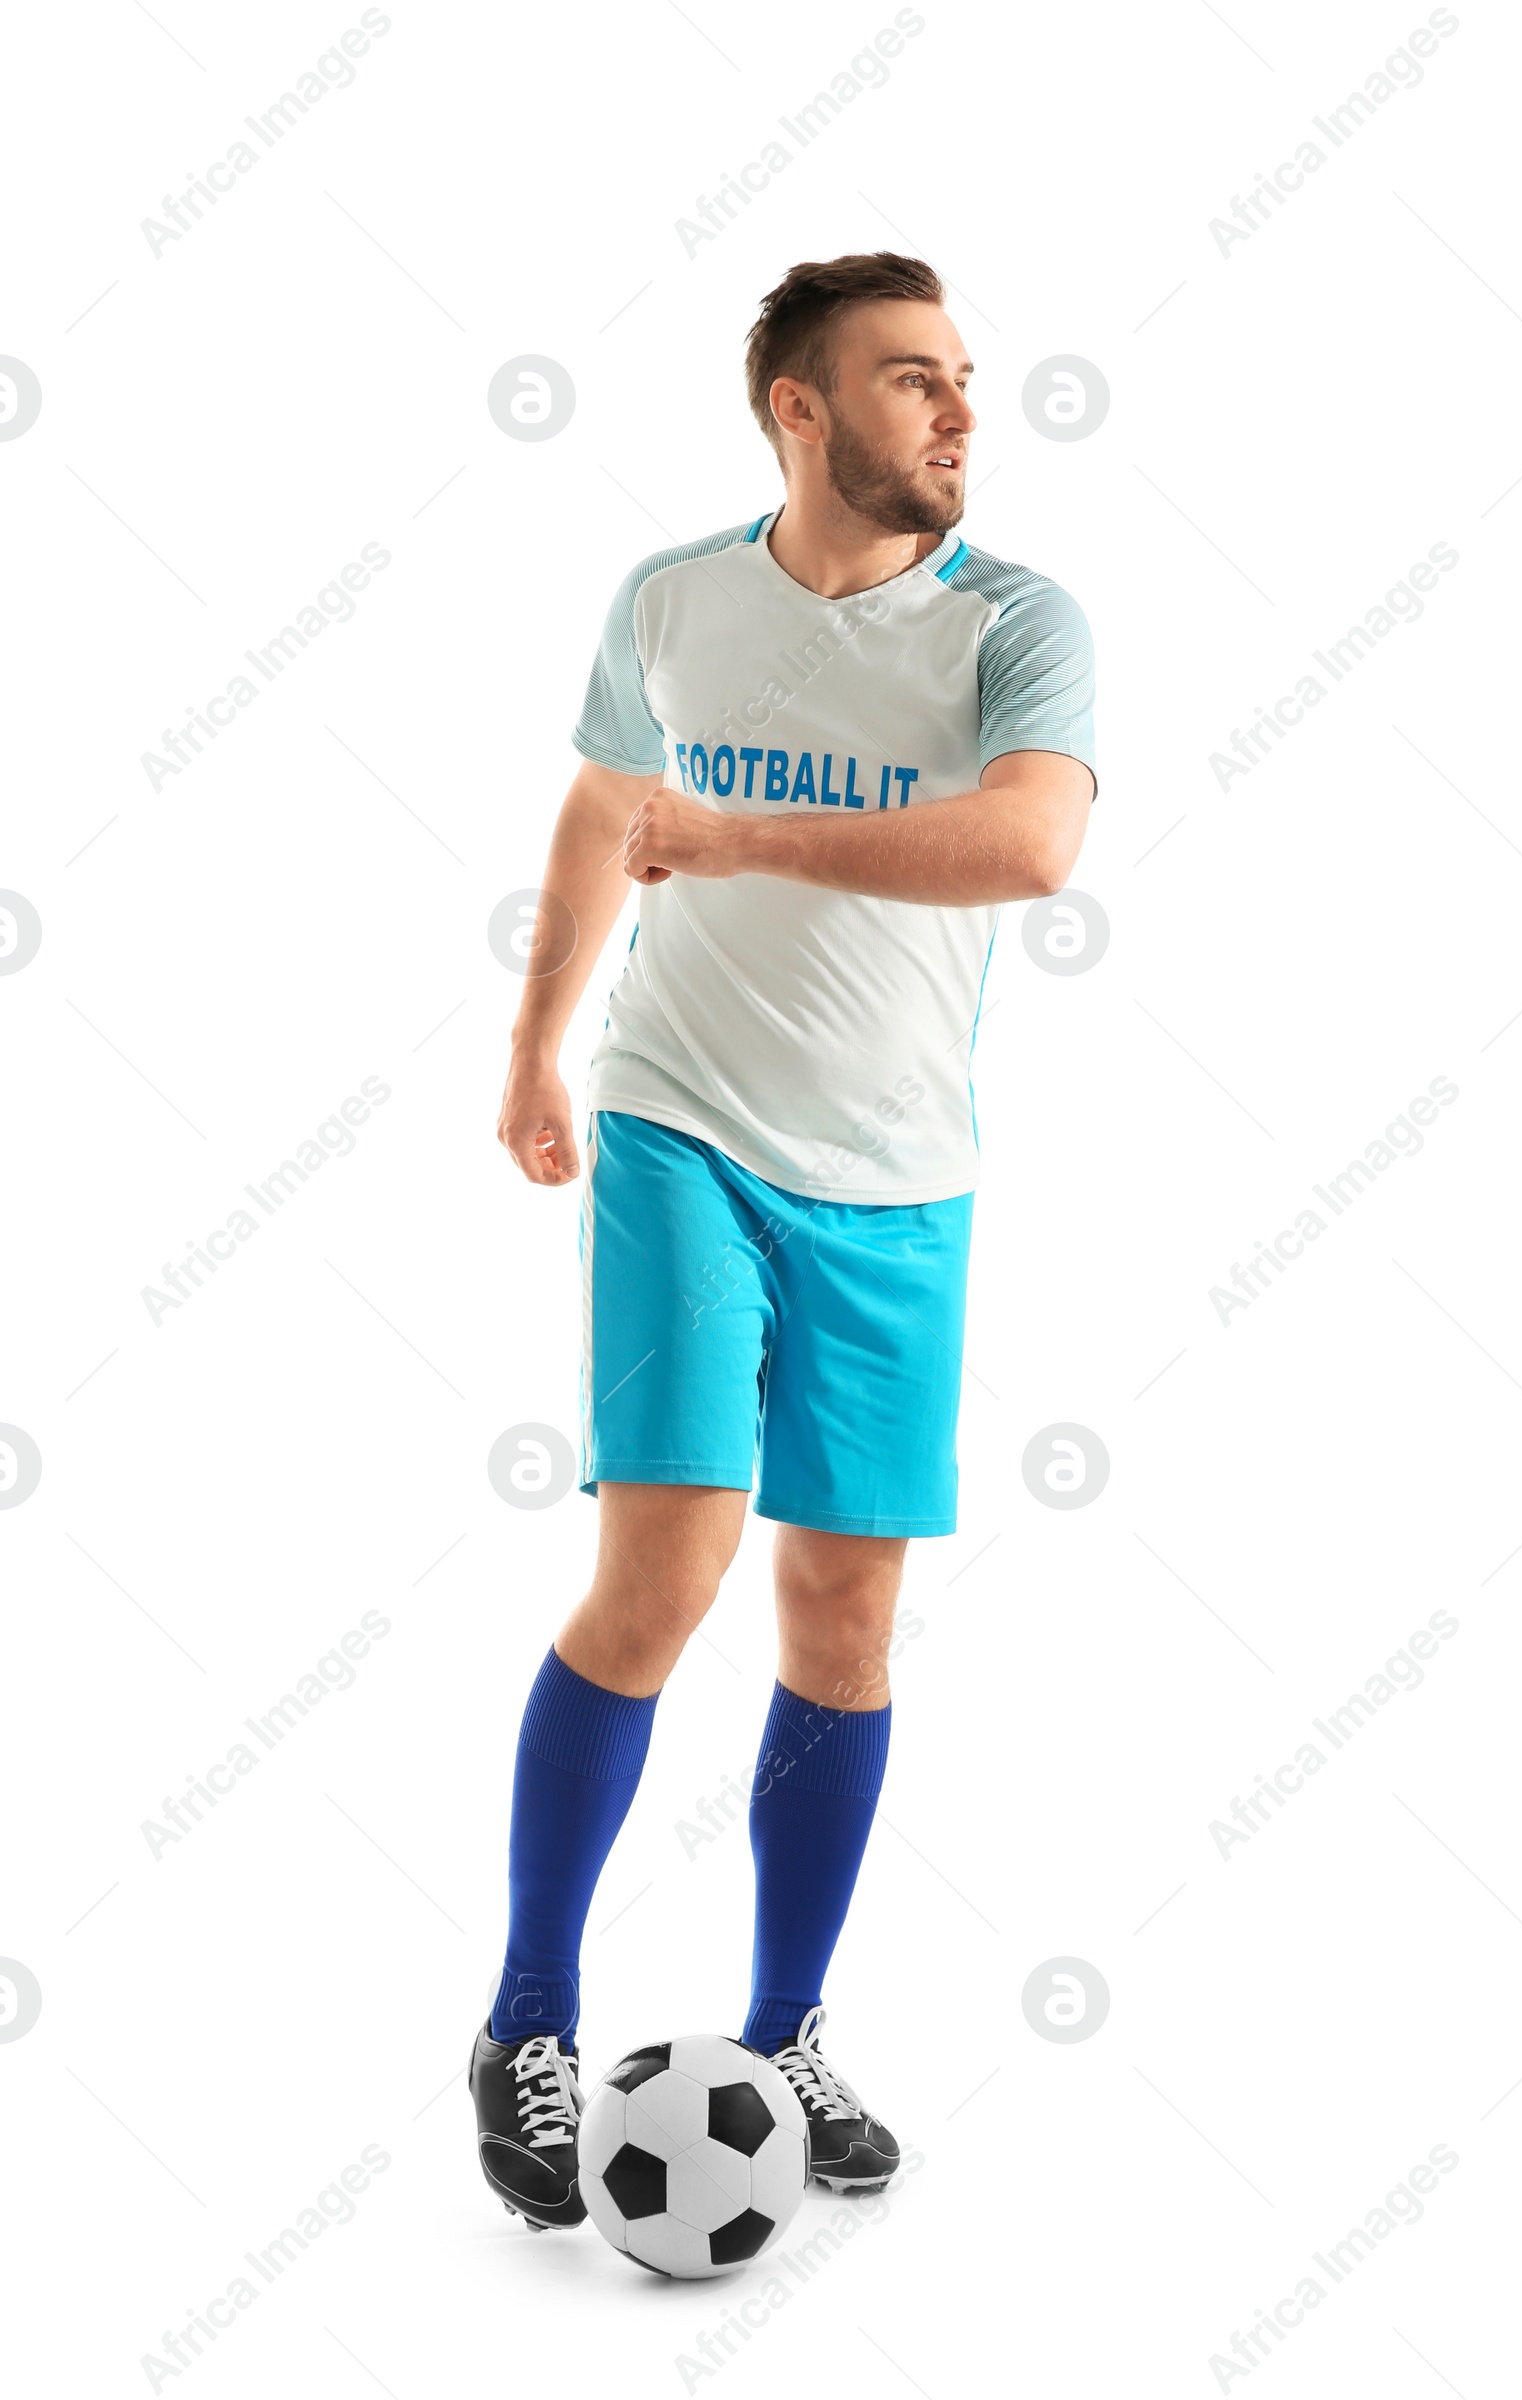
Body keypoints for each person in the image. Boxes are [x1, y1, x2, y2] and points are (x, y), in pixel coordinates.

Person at [468, 249, 1097, 2230]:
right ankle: (530, 2022)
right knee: (663, 1567)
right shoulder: (672, 600)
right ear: (797, 409)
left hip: (899, 1180)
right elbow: (598, 807)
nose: (958, 412)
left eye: (966, 379)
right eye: (912, 380)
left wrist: (740, 839)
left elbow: (1026, 844)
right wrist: (538, 1047)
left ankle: (786, 2032)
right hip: (679, 1126)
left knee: (841, 1617)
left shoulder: (1014, 620)